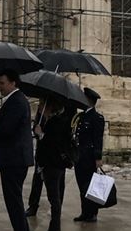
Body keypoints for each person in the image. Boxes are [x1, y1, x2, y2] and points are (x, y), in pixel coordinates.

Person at [0, 69, 34, 231]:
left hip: (13, 160)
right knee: (14, 201)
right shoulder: (15, 100)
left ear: (13, 82)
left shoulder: (16, 101)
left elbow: (7, 129)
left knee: (14, 202)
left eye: (2, 83)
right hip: (14, 159)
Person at [34, 97, 74, 231]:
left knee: (54, 197)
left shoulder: (56, 122)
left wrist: (41, 134)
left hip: (52, 164)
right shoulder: (51, 121)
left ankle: (55, 226)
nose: (39, 107)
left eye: (41, 104)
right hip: (54, 164)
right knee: (55, 196)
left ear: (49, 107)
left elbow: (53, 143)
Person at [71, 88, 106, 223]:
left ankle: (92, 213)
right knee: (81, 186)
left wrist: (98, 157)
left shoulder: (97, 118)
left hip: (90, 157)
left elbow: (98, 139)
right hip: (80, 156)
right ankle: (85, 212)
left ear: (89, 101)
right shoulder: (81, 116)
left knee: (90, 186)